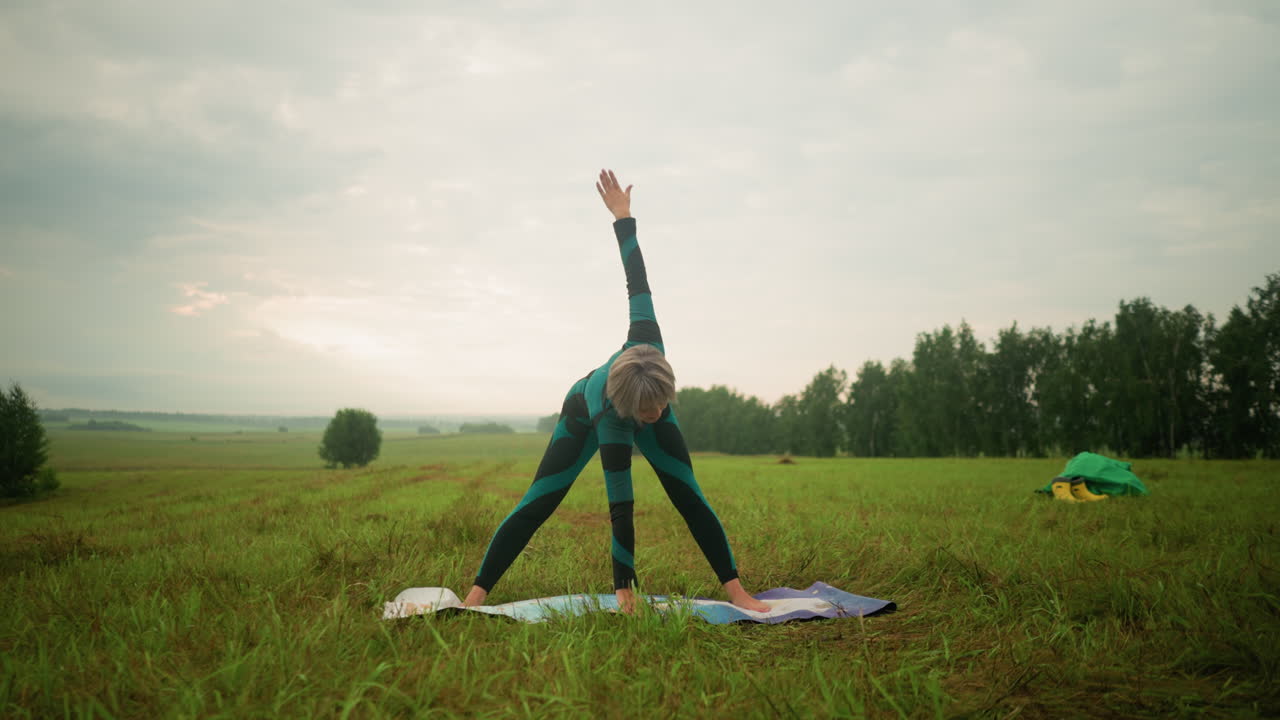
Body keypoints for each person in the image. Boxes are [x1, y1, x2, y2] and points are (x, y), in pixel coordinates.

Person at [461, 169, 771, 615]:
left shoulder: (649, 339)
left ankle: (738, 589)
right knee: (539, 502)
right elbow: (620, 506)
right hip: (584, 412)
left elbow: (636, 276)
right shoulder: (611, 417)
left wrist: (622, 216)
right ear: (630, 409)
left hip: (631, 389)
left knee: (689, 495)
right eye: (648, 412)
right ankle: (475, 596)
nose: (658, 413)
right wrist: (625, 593)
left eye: (663, 403)